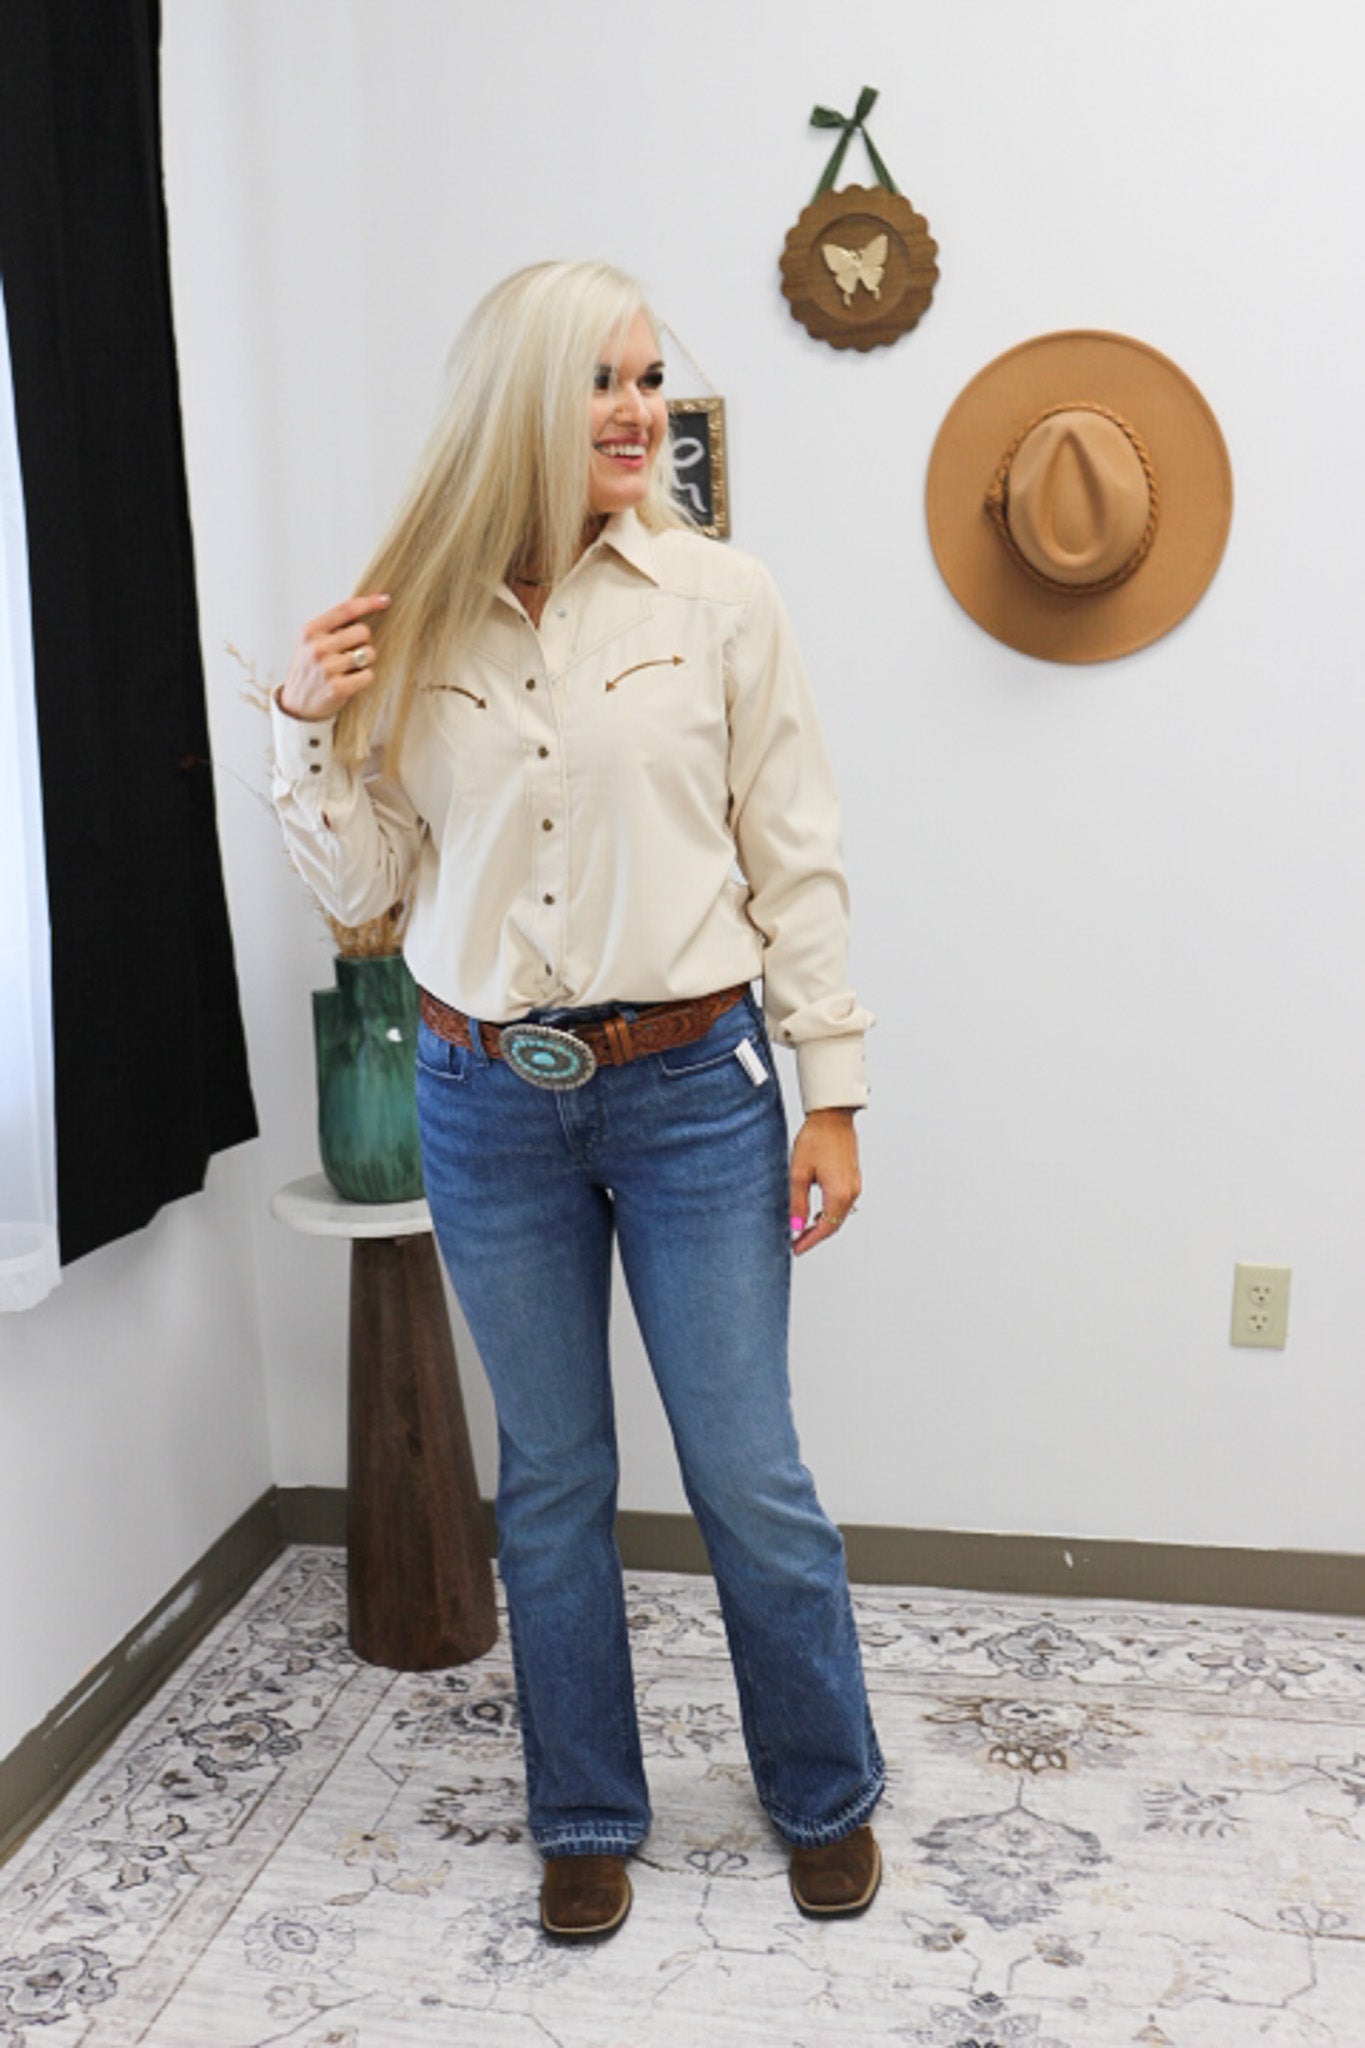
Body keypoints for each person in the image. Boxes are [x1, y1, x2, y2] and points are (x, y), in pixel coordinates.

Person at [272, 260, 883, 1940]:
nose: (636, 410)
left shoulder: (722, 599)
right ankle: (586, 1815)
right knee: (549, 1479)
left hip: (694, 1089)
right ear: (517, 404)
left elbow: (796, 856)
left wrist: (831, 1091)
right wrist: (306, 735)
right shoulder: (410, 621)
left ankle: (823, 1791)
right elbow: (368, 894)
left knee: (746, 1470)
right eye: (599, 380)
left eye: (647, 377)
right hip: (483, 1099)